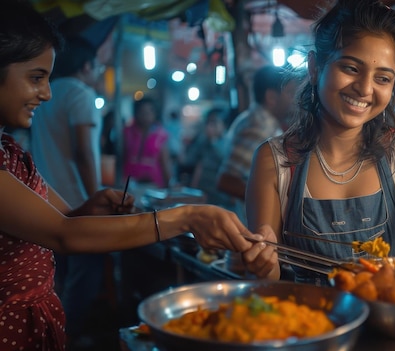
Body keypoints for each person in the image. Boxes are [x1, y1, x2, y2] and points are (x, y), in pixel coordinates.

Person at [0, 3, 261, 350]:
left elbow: (64, 218)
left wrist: (91, 206)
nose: (46, 94)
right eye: (35, 78)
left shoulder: (9, 150)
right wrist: (187, 216)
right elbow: (63, 234)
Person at [242, 0, 395, 286]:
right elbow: (268, 278)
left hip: (392, 321)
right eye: (350, 68)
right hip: (311, 324)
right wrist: (260, 261)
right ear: (315, 68)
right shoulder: (273, 160)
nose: (364, 89)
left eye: (383, 78)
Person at [29, 35, 107, 345]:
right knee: (85, 274)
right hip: (77, 200)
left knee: (57, 277)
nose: (98, 73)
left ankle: (55, 335)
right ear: (86, 66)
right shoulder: (80, 93)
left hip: (44, 197)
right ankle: (69, 335)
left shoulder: (46, 94)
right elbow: (84, 152)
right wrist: (96, 198)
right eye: (97, 67)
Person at [216, 65, 299, 222]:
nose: (294, 100)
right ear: (271, 97)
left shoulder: (263, 122)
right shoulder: (258, 127)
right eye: (289, 93)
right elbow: (226, 181)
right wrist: (274, 203)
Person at [122, 96, 173, 188]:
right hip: (129, 183)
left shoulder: (161, 135)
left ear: (155, 114)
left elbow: (165, 162)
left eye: (149, 112)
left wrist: (169, 184)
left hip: (154, 184)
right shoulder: (127, 132)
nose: (145, 115)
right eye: (142, 112)